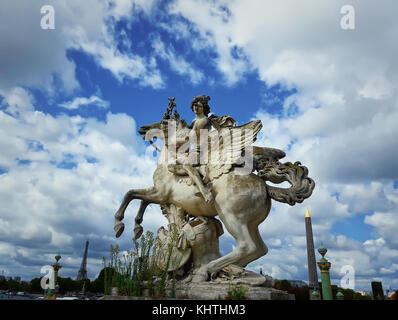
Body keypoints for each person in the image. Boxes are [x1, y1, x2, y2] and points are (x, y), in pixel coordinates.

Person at [180, 95, 214, 203]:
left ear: (203, 108)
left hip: (202, 149)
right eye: (194, 106)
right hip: (196, 149)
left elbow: (193, 136)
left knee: (186, 165)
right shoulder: (195, 122)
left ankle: (204, 191)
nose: (195, 108)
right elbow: (186, 130)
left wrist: (186, 136)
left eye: (198, 106)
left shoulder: (205, 120)